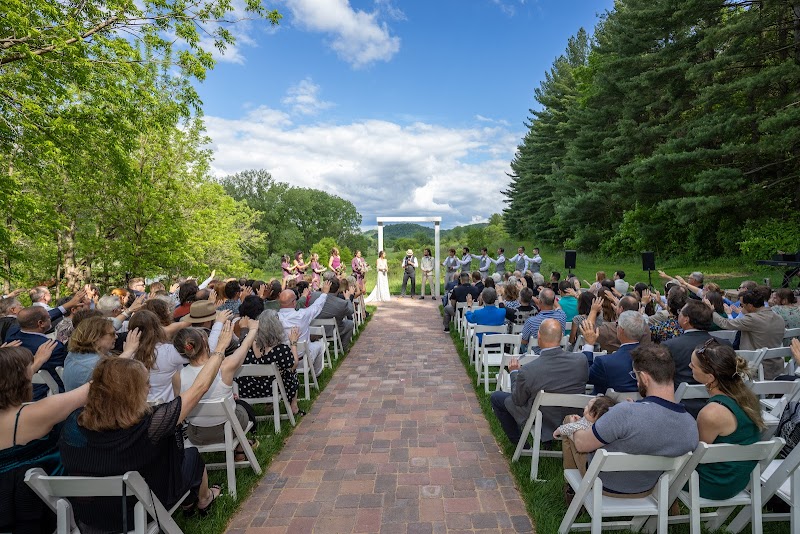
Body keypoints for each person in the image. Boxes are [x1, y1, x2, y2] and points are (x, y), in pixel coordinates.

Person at [59, 342, 230, 530]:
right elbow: (199, 388)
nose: (149, 387)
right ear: (132, 393)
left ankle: (189, 501)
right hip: (139, 510)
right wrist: (220, 349)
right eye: (146, 383)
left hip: (93, 516)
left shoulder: (72, 426)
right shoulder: (148, 426)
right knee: (192, 457)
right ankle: (204, 499)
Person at [562, 344, 698, 496]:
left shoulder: (625, 412)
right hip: (648, 489)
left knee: (570, 422)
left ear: (645, 378)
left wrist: (575, 424)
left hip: (603, 484)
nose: (637, 382)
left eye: (636, 376)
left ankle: (573, 492)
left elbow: (581, 444)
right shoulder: (690, 426)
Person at [0, 344, 90, 534]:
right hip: (39, 506)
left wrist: (36, 361)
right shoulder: (38, 413)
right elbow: (90, 389)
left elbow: (8, 380)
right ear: (23, 379)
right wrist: (129, 352)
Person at [490, 319, 588, 445]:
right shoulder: (581, 360)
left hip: (542, 418)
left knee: (496, 397)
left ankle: (520, 444)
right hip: (571, 416)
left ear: (539, 336)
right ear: (561, 336)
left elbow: (518, 400)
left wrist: (514, 373)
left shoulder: (528, 370)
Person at [690, 339, 765, 499]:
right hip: (737, 478)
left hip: (715, 483)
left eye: (693, 365)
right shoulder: (745, 397)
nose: (689, 366)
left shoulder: (712, 413)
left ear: (710, 377)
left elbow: (696, 455)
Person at [174, 323, 258, 449]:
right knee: (241, 407)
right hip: (230, 429)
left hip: (197, 435)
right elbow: (245, 346)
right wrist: (253, 328)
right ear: (204, 341)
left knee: (234, 404)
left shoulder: (177, 377)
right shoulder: (225, 366)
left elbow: (181, 407)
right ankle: (241, 449)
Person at [705, 286, 786, 379]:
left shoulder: (752, 319)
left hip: (756, 367)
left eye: (742, 305)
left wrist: (711, 310)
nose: (741, 308)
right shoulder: (779, 317)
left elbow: (725, 323)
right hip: (777, 366)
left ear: (750, 306)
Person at [236, 311, 303, 416]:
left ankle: (269, 405)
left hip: (247, 390)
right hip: (272, 389)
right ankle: (293, 406)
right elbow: (294, 364)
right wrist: (293, 343)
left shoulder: (245, 345)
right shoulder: (281, 350)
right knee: (290, 373)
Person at [63, 318, 141, 391]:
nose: (116, 337)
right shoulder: (94, 364)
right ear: (96, 337)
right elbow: (111, 373)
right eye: (112, 334)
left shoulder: (74, 353)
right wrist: (128, 351)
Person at [128, 310, 189, 403]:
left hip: (140, 408)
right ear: (158, 328)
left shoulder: (128, 356)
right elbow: (200, 354)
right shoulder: (169, 352)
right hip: (167, 407)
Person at [579, 311, 647, 395]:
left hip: (608, 406)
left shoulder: (605, 363)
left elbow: (585, 376)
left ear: (620, 330)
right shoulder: (654, 359)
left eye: (617, 324)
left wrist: (589, 345)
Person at [278, 280, 332, 377]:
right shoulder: (302, 315)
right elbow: (316, 307)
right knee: (320, 345)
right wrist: (324, 293)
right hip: (302, 359)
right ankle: (316, 374)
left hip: (281, 360)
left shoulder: (274, 317)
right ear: (294, 302)